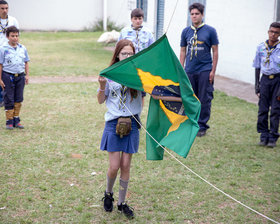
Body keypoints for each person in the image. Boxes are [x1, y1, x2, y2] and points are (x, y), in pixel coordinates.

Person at [97, 39, 142, 219]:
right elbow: (101, 100)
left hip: (132, 123)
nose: (127, 56)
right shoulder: (109, 74)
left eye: (131, 54)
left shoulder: (139, 74)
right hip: (113, 123)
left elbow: (150, 92)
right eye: (124, 53)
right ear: (117, 55)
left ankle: (122, 203)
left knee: (125, 165)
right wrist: (101, 87)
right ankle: (108, 193)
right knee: (114, 166)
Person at [180, 3, 219, 137]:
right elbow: (183, 50)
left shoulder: (210, 31)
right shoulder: (186, 31)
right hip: (190, 70)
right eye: (192, 14)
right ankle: (191, 122)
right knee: (190, 98)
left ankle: (202, 125)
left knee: (204, 98)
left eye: (197, 14)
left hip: (205, 69)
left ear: (202, 15)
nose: (194, 16)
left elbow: (215, 51)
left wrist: (213, 71)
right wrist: (182, 69)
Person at [253, 22, 280, 148]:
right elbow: (257, 67)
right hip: (265, 80)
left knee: (275, 109)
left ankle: (273, 137)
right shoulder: (261, 47)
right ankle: (263, 135)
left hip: (277, 81)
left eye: (276, 32)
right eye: (271, 31)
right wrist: (257, 85)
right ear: (268, 32)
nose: (273, 34)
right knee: (262, 109)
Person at [0, 26, 29, 130]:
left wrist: (27, 75)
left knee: (19, 97)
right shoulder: (3, 49)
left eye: (16, 36)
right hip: (8, 75)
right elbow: (0, 65)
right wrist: (0, 79)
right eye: (12, 36)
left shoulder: (22, 48)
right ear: (8, 37)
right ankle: (9, 121)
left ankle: (16, 119)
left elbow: (26, 62)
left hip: (20, 76)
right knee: (9, 98)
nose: (15, 38)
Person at [0, 0, 19, 107]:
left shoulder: (13, 20)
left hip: (8, 52)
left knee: (6, 75)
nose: (4, 10)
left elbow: (17, 36)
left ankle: (5, 98)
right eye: (2, 8)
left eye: (6, 8)